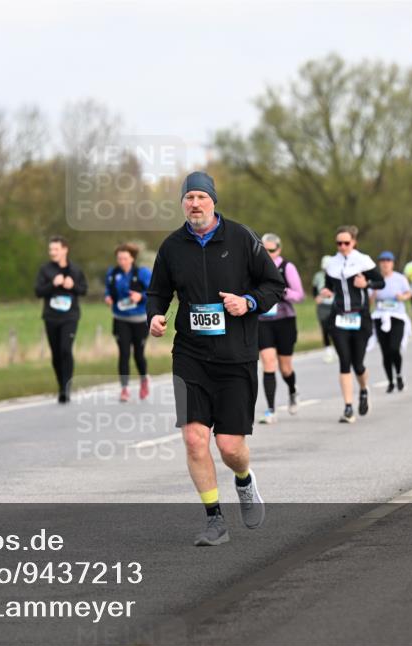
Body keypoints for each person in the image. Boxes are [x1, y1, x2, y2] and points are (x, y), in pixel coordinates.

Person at [146, 171, 284, 546]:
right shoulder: (172, 247)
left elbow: (274, 285)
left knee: (230, 447)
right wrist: (155, 316)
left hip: (235, 356)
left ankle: (243, 480)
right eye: (188, 197)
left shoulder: (241, 238)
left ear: (213, 201)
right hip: (190, 355)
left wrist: (248, 302)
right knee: (194, 439)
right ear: (182, 203)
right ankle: (214, 520)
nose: (194, 204)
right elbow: (157, 292)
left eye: (201, 197)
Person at [320, 226, 385, 424]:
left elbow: (380, 282)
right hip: (339, 318)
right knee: (344, 362)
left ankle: (364, 390)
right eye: (338, 243)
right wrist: (326, 291)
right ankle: (348, 407)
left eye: (346, 243)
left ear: (353, 242)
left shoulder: (363, 261)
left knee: (358, 364)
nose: (342, 247)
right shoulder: (332, 264)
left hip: (360, 318)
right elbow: (329, 286)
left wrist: (367, 285)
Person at [256, 233, 304, 423]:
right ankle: (270, 410)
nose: (268, 254)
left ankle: (292, 390)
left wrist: (281, 291)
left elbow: (300, 295)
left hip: (285, 321)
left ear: (279, 250)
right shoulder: (256, 267)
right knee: (268, 362)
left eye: (272, 250)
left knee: (285, 368)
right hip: (263, 320)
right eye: (264, 250)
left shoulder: (287, 267)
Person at [35, 236, 88, 404]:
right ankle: (60, 385)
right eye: (51, 250)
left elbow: (83, 290)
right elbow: (38, 291)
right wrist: (53, 284)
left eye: (56, 249)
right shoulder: (45, 270)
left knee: (66, 349)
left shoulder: (75, 270)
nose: (52, 253)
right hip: (51, 317)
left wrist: (73, 286)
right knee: (56, 353)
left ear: (65, 249)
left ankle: (66, 388)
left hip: (70, 317)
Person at [104, 243, 152, 402]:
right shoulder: (112, 273)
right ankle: (124, 388)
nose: (122, 261)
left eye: (125, 258)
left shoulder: (142, 273)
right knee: (124, 353)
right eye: (119, 258)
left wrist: (141, 297)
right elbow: (108, 290)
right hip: (120, 319)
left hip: (139, 320)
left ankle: (144, 379)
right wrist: (108, 298)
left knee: (139, 354)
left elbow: (154, 291)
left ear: (132, 258)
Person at [369, 251, 412, 393]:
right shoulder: (375, 279)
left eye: (388, 260)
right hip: (380, 316)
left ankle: (399, 374)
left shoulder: (400, 278)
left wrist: (402, 297)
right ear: (379, 263)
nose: (385, 263)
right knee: (385, 352)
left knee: (394, 348)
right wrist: (374, 293)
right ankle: (390, 381)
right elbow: (369, 301)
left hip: (397, 316)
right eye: (382, 261)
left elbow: (409, 293)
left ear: (392, 263)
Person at [311, 256, 337, 364]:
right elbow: (314, 290)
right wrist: (316, 297)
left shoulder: (336, 275)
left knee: (335, 328)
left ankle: (338, 349)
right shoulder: (318, 276)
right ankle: (328, 350)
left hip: (334, 305)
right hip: (322, 306)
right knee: (325, 328)